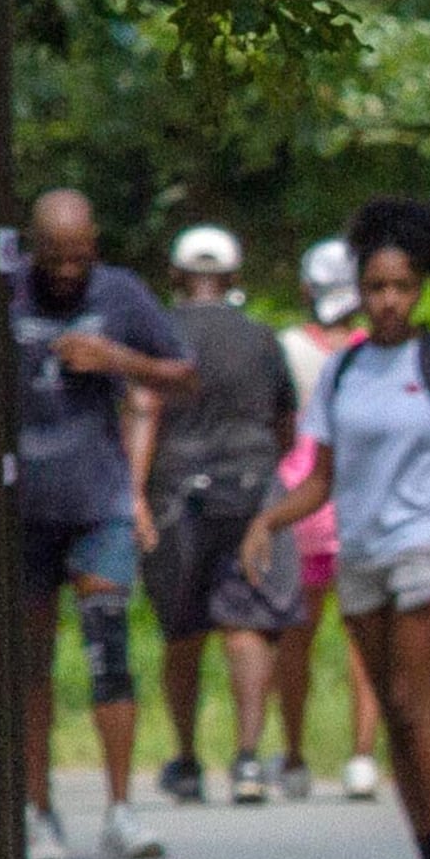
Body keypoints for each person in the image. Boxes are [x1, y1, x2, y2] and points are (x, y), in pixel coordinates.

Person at [239, 198, 430, 859]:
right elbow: (322, 478)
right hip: (363, 551)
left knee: (417, 701)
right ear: (358, 290)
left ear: (420, 288)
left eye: (401, 287)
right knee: (392, 712)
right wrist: (269, 519)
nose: (388, 301)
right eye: (375, 288)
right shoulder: (344, 372)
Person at [10, 189, 192, 859]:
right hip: (23, 511)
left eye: (79, 257)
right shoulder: (9, 292)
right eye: (54, 258)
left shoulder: (120, 294)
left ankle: (120, 810)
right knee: (28, 667)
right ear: (35, 247)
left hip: (99, 503)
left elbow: (182, 374)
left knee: (108, 653)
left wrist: (118, 360)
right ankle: (37, 813)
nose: (66, 271)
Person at [138, 225, 302, 806]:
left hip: (176, 496)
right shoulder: (261, 338)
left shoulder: (158, 335)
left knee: (183, 631)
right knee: (246, 625)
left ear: (178, 277)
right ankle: (249, 759)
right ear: (233, 278)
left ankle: (185, 759)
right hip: (252, 488)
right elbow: (286, 423)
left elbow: (141, 415)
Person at [266, 239, 379, 801]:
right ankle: (349, 755)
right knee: (350, 639)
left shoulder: (291, 347)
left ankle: (302, 755)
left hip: (318, 503)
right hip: (340, 505)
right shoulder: (368, 350)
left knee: (303, 640)